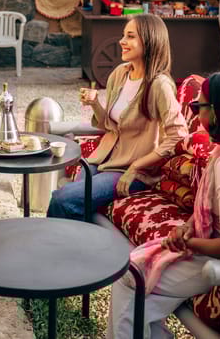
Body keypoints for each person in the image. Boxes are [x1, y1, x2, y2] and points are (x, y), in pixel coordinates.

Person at [108, 71, 220, 338]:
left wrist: (187, 243)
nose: (196, 115)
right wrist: (189, 226)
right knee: (137, 302)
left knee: (130, 275)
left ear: (218, 112)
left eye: (197, 106)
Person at [47, 14, 188, 221]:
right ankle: (77, 240)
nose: (122, 41)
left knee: (62, 199)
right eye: (123, 35)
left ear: (149, 41)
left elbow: (179, 134)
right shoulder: (120, 74)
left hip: (131, 169)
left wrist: (136, 166)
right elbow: (109, 126)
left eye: (130, 36)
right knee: (71, 199)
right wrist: (95, 103)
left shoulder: (160, 85)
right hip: (104, 157)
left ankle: (52, 240)